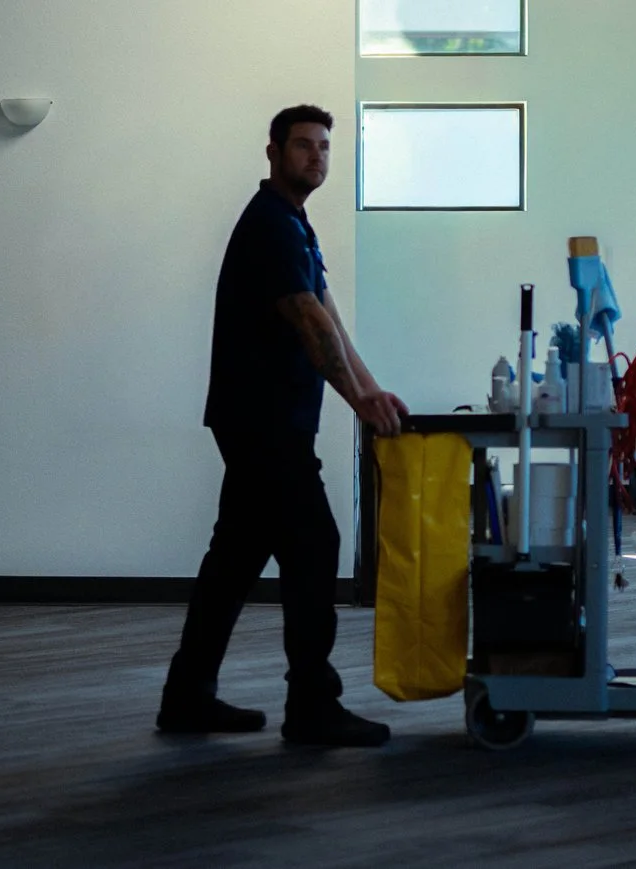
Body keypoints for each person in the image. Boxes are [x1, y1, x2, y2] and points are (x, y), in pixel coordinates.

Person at [156, 105, 408, 748]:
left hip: (262, 420)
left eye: (324, 146)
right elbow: (307, 319)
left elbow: (327, 312)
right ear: (272, 152)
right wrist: (360, 402)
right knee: (315, 544)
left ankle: (186, 697)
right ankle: (312, 706)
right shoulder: (270, 223)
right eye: (302, 145)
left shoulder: (294, 224)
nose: (316, 156)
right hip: (264, 422)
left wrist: (368, 388)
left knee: (235, 558)